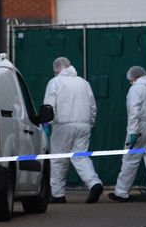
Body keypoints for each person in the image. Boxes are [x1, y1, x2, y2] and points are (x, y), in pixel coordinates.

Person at [44, 56, 103, 204]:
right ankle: (94, 183)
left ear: (56, 69)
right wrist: (90, 123)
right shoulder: (83, 83)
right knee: (81, 156)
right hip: (83, 125)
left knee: (58, 159)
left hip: (62, 125)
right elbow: (92, 106)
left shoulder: (55, 82)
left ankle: (57, 194)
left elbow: (49, 106)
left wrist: (47, 124)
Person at [108, 66, 146, 203]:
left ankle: (121, 192)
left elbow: (134, 112)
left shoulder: (135, 89)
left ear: (133, 78)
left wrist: (132, 132)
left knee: (130, 160)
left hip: (141, 127)